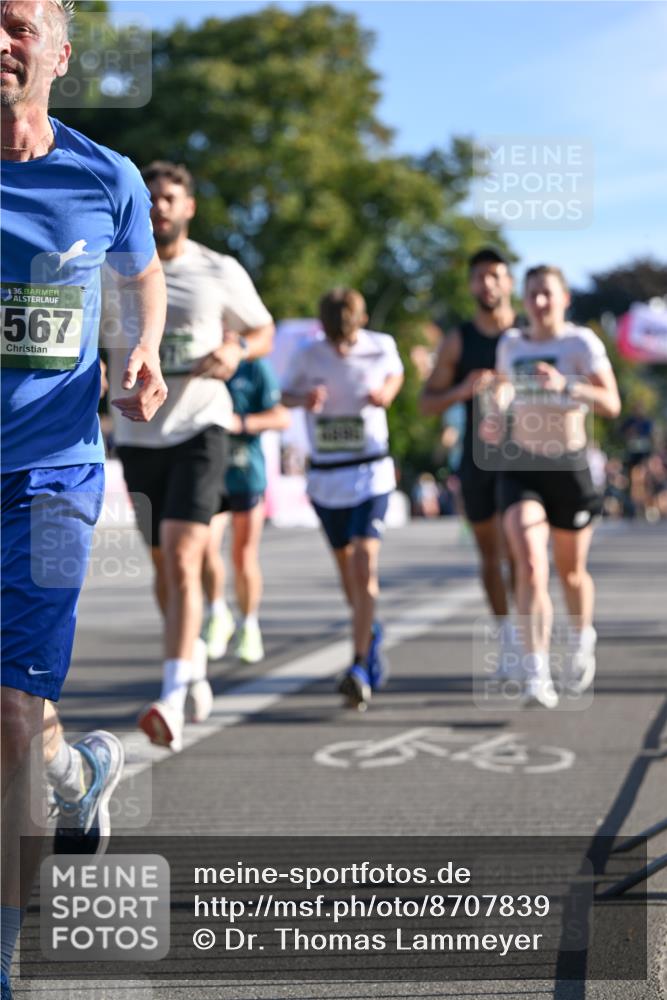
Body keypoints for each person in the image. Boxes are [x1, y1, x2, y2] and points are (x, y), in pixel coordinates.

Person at [1, 2, 168, 996]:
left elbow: (142, 277)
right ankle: (82, 778)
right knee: (29, 728)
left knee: (15, 711)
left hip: (55, 474)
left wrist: (141, 348)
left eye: (19, 25)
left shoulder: (106, 177)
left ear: (59, 53)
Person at [107, 160, 274, 752]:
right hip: (140, 438)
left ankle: (171, 696)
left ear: (189, 207)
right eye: (150, 197)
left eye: (170, 197)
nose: (158, 206)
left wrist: (235, 349)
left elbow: (262, 330)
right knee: (164, 569)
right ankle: (192, 655)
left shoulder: (217, 269)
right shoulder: (113, 268)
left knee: (182, 557)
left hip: (203, 426)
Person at [481, 265, 621, 708]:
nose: (539, 303)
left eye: (547, 294)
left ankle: (582, 638)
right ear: (522, 300)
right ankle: (535, 670)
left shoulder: (580, 344)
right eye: (532, 295)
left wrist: (569, 385)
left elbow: (612, 403)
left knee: (570, 572)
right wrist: (494, 410)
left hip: (570, 469)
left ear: (564, 299)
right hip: (522, 466)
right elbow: (503, 388)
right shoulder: (512, 343)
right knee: (529, 563)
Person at [282, 288, 404, 710]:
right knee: (347, 572)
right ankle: (369, 633)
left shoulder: (381, 346)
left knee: (365, 563)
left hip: (371, 471)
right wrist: (305, 399)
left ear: (362, 322)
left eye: (347, 339)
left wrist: (386, 393)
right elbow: (284, 395)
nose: (342, 348)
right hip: (327, 478)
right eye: (335, 340)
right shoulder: (308, 353)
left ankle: (357, 665)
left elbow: (396, 373)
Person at [420, 247, 517, 672]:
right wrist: (462, 391)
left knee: (524, 551)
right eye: (479, 276)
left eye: (495, 275)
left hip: (525, 457)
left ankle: (530, 641)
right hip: (477, 460)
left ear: (509, 282)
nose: (488, 284)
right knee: (490, 553)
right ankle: (507, 637)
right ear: (471, 285)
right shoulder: (460, 339)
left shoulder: (528, 336)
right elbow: (426, 403)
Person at [202, 359, 290, 663]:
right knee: (204, 547)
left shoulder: (255, 368)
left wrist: (240, 423)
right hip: (210, 472)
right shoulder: (203, 358)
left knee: (242, 555)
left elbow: (281, 417)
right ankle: (217, 612)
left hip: (246, 473)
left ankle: (249, 625)